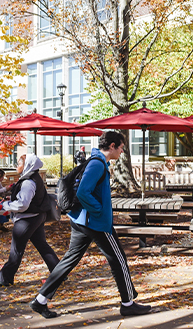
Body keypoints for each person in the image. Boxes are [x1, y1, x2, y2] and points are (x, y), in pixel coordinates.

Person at [30, 131, 150, 319]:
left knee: (69, 261)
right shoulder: (97, 164)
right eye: (121, 147)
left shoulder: (97, 161)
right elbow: (84, 192)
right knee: (118, 260)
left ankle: (40, 300)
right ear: (111, 146)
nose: (122, 151)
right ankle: (128, 304)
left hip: (81, 221)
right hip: (95, 223)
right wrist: (99, 211)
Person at [0, 154, 60, 286]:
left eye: (19, 163)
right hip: (36, 217)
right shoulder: (33, 178)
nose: (17, 166)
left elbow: (23, 204)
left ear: (27, 165)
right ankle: (59, 274)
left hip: (27, 220)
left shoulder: (28, 182)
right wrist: (11, 201)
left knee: (16, 251)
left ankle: (3, 279)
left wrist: (7, 206)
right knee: (42, 246)